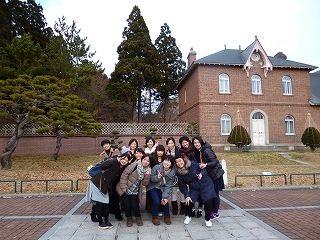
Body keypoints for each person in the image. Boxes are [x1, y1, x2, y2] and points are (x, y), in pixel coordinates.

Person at [86, 153, 131, 229]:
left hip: (105, 187)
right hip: (97, 184)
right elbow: (104, 164)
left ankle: (106, 221)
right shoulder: (114, 162)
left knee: (106, 203)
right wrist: (116, 159)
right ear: (120, 157)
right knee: (99, 203)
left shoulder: (120, 167)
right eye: (123, 159)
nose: (124, 161)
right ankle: (101, 222)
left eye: (126, 161)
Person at [174, 154, 216, 228]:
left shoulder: (192, 164)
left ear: (184, 160)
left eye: (180, 160)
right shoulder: (179, 172)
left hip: (206, 184)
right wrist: (186, 195)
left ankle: (207, 219)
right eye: (177, 162)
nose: (179, 163)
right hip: (194, 187)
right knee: (188, 201)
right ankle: (188, 216)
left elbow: (203, 168)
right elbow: (182, 185)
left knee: (207, 201)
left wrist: (201, 174)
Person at [192, 136, 225, 220]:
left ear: (201, 142)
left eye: (198, 142)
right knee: (212, 193)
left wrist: (206, 164)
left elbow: (215, 161)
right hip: (210, 175)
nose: (196, 144)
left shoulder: (206, 150)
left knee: (215, 194)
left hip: (216, 175)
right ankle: (212, 211)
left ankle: (215, 213)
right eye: (195, 143)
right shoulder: (200, 151)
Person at [116, 153, 151, 227]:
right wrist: (123, 186)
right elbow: (124, 175)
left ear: (150, 163)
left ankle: (138, 218)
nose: (145, 162)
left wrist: (147, 176)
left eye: (148, 161)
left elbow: (145, 184)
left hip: (134, 190)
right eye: (144, 159)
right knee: (127, 204)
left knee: (134, 205)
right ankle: (129, 218)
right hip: (124, 188)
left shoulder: (148, 170)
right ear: (142, 159)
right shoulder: (135, 165)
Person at [146, 155, 176, 225]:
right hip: (153, 187)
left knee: (165, 201)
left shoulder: (172, 173)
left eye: (168, 161)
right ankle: (154, 217)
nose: (166, 163)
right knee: (156, 201)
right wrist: (158, 177)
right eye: (165, 160)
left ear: (171, 164)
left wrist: (165, 197)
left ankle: (167, 216)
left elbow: (168, 186)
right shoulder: (157, 167)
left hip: (162, 188)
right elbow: (151, 178)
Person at [179, 136, 202, 218]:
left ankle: (199, 208)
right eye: (183, 143)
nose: (185, 144)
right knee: (192, 189)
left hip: (197, 169)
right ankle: (192, 207)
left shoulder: (194, 149)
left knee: (200, 188)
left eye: (186, 142)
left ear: (189, 142)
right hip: (187, 172)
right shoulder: (181, 152)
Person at [166, 137, 185, 215]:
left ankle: (183, 209)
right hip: (172, 174)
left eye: (171, 143)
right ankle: (174, 209)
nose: (170, 145)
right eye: (169, 143)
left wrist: (171, 157)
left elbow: (181, 161)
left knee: (182, 191)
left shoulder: (179, 151)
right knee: (173, 191)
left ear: (174, 143)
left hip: (180, 173)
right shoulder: (167, 152)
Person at [146, 144, 166, 214]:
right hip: (153, 180)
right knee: (153, 197)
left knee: (161, 196)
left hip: (162, 182)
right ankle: (151, 210)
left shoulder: (165, 159)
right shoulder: (153, 158)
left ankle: (161, 210)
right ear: (156, 151)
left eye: (161, 151)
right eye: (158, 151)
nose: (160, 152)